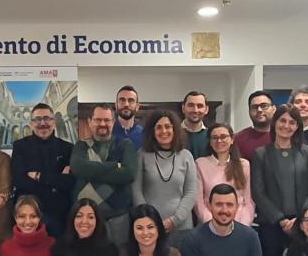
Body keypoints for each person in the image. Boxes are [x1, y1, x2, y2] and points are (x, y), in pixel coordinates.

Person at [251, 104, 308, 256]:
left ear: (297, 127)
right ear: (275, 122)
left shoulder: (306, 152)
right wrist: (280, 219)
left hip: (302, 223)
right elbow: (258, 192)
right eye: (282, 121)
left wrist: (300, 218)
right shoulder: (261, 154)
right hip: (271, 223)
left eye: (292, 122)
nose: (286, 126)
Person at [179, 184, 263, 256]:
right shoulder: (192, 240)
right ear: (209, 206)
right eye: (219, 204)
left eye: (229, 205)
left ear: (237, 207)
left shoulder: (251, 237)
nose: (224, 210)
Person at [71, 104, 138, 246]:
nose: (102, 124)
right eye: (98, 120)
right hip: (86, 217)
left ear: (113, 122)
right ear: (90, 121)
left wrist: (90, 170)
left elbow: (129, 174)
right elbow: (78, 168)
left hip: (118, 216)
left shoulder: (125, 145)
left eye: (107, 120)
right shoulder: (81, 146)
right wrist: (114, 166)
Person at [131, 110, 198, 245]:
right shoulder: (142, 155)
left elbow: (191, 193)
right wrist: (148, 220)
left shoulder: (186, 156)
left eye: (168, 126)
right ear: (152, 131)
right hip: (149, 228)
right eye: (159, 127)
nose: (164, 131)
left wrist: (174, 220)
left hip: (181, 227)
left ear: (175, 130)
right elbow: (136, 190)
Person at [11, 103, 75, 239]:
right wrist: (55, 180)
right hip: (28, 214)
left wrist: (38, 176)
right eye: (37, 119)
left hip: (59, 215)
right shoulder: (20, 146)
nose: (42, 123)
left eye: (47, 118)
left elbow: (69, 183)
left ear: (54, 122)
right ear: (31, 123)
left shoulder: (68, 148)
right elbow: (19, 180)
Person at [195, 123, 255, 226]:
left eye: (223, 137)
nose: (219, 141)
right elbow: (199, 203)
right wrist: (215, 226)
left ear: (232, 140)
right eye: (214, 138)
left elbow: (248, 201)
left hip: (239, 224)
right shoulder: (200, 164)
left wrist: (242, 226)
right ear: (210, 142)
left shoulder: (243, 165)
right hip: (210, 225)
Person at [235, 90, 276, 160]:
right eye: (254, 107)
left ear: (274, 109)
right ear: (249, 111)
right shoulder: (238, 139)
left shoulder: (284, 136)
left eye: (264, 106)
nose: (259, 110)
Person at [180, 90, 211, 158]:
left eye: (200, 106)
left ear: (206, 110)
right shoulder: (173, 134)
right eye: (191, 105)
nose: (195, 110)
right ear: (183, 108)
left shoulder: (211, 136)